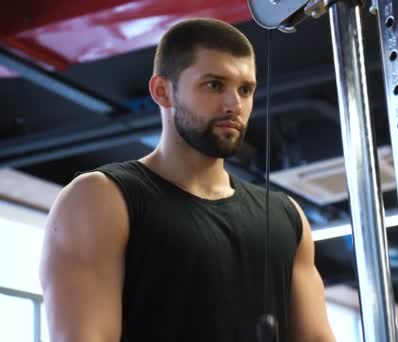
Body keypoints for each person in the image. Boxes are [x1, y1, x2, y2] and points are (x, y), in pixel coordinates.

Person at [39, 18, 336, 342]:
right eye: (214, 85)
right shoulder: (100, 199)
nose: (234, 104)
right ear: (162, 91)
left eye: (245, 89)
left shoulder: (284, 216)